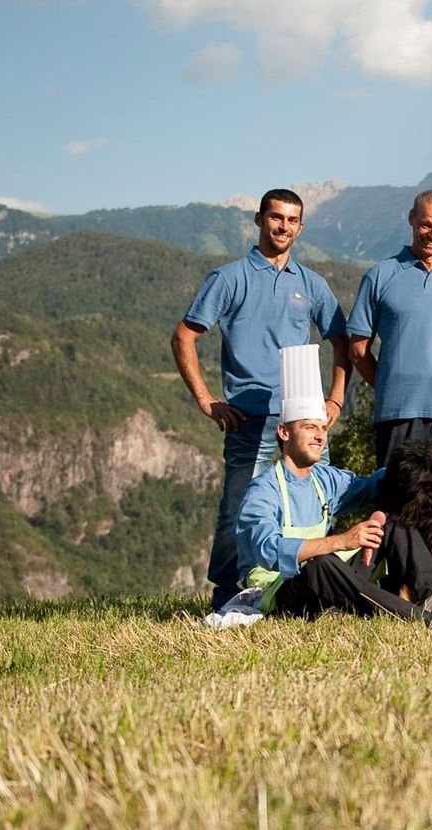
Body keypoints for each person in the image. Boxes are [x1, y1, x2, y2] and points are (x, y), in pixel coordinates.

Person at [171, 188, 351, 611]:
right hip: (248, 418)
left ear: (301, 227)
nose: (283, 226)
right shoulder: (228, 278)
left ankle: (320, 585)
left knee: (320, 502)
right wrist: (206, 400)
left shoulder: (311, 283)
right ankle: (228, 593)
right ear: (259, 219)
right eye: (276, 217)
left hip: (305, 418)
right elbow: (183, 337)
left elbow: (342, 341)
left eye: (292, 220)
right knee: (239, 509)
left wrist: (336, 399)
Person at [233, 347, 432, 622]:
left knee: (394, 522)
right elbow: (268, 550)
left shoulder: (325, 480)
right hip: (280, 592)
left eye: (323, 428)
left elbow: (374, 485)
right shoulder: (263, 492)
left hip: (328, 579)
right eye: (310, 427)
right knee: (320, 564)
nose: (320, 436)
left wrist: (417, 467)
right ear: (284, 432)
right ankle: (414, 616)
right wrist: (342, 541)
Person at [346, 189, 432, 464]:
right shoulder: (380, 275)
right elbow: (358, 350)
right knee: (397, 489)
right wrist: (389, 385)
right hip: (397, 412)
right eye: (426, 225)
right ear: (411, 218)